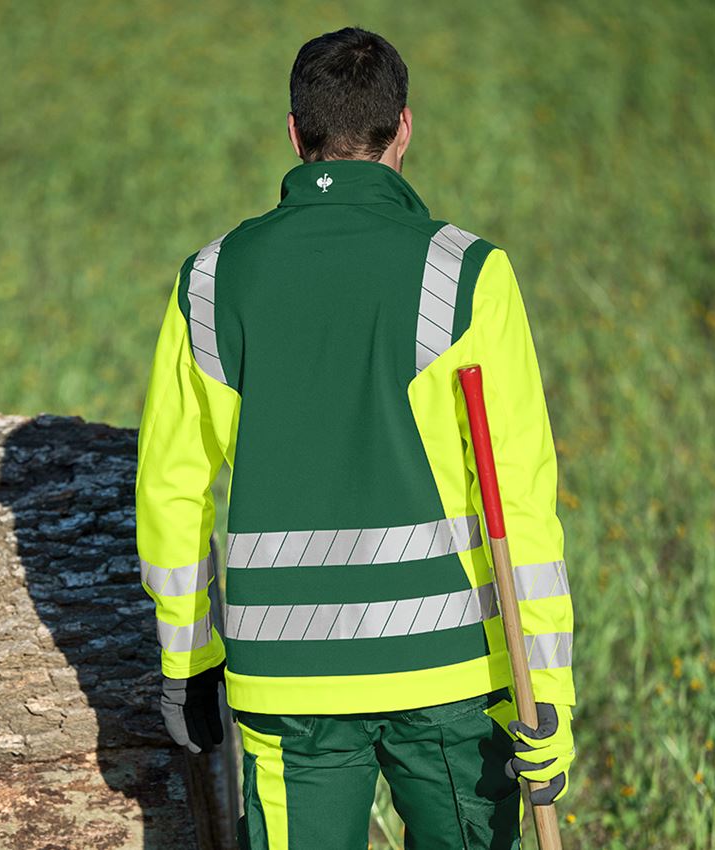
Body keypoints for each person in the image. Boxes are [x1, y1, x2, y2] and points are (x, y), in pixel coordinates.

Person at [135, 26, 576, 849]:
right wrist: (545, 691)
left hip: (286, 686)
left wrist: (187, 660)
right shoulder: (471, 275)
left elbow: (172, 489)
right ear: (403, 127)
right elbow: (519, 496)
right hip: (452, 678)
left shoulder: (208, 279)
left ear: (296, 134)